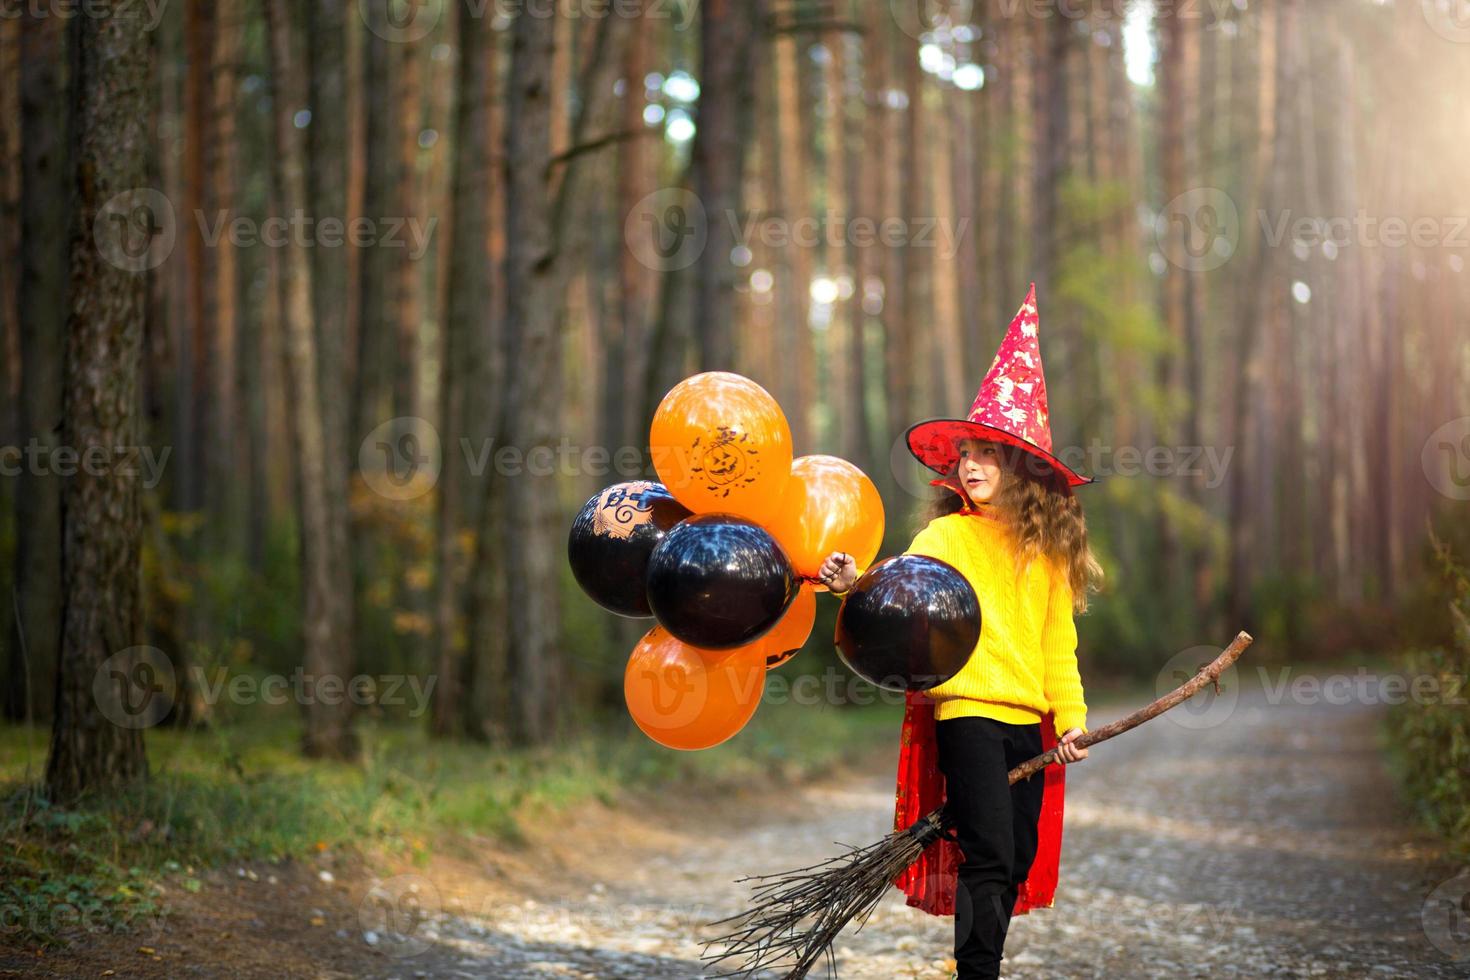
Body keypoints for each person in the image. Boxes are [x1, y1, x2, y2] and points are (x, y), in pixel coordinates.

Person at [817, 285, 1103, 980]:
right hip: (968, 711)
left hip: (1027, 719)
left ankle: (982, 963)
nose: (969, 466)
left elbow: (1055, 644)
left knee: (1019, 853)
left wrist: (1070, 719)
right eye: (965, 454)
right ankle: (978, 974)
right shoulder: (945, 535)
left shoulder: (1047, 554)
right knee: (989, 851)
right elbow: (900, 586)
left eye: (988, 454)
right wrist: (851, 579)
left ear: (1026, 469)